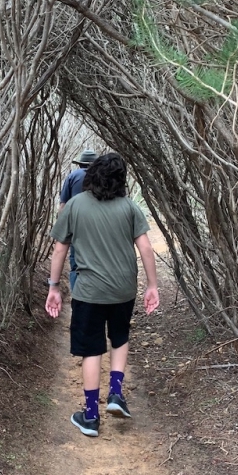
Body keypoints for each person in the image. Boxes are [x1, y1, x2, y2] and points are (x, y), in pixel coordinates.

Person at [45, 153, 160, 437]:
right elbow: (145, 248)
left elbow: (60, 248)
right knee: (119, 337)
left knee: (91, 349)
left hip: (89, 291)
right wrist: (152, 285)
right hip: (123, 288)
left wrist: (54, 287)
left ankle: (91, 416)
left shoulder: (74, 206)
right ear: (122, 180)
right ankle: (116, 394)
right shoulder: (130, 208)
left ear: (91, 174)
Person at [59, 148, 98, 290]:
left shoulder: (72, 176)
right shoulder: (101, 178)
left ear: (80, 164)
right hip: (98, 226)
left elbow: (63, 205)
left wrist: (63, 229)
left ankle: (77, 295)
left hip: (76, 226)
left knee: (76, 264)